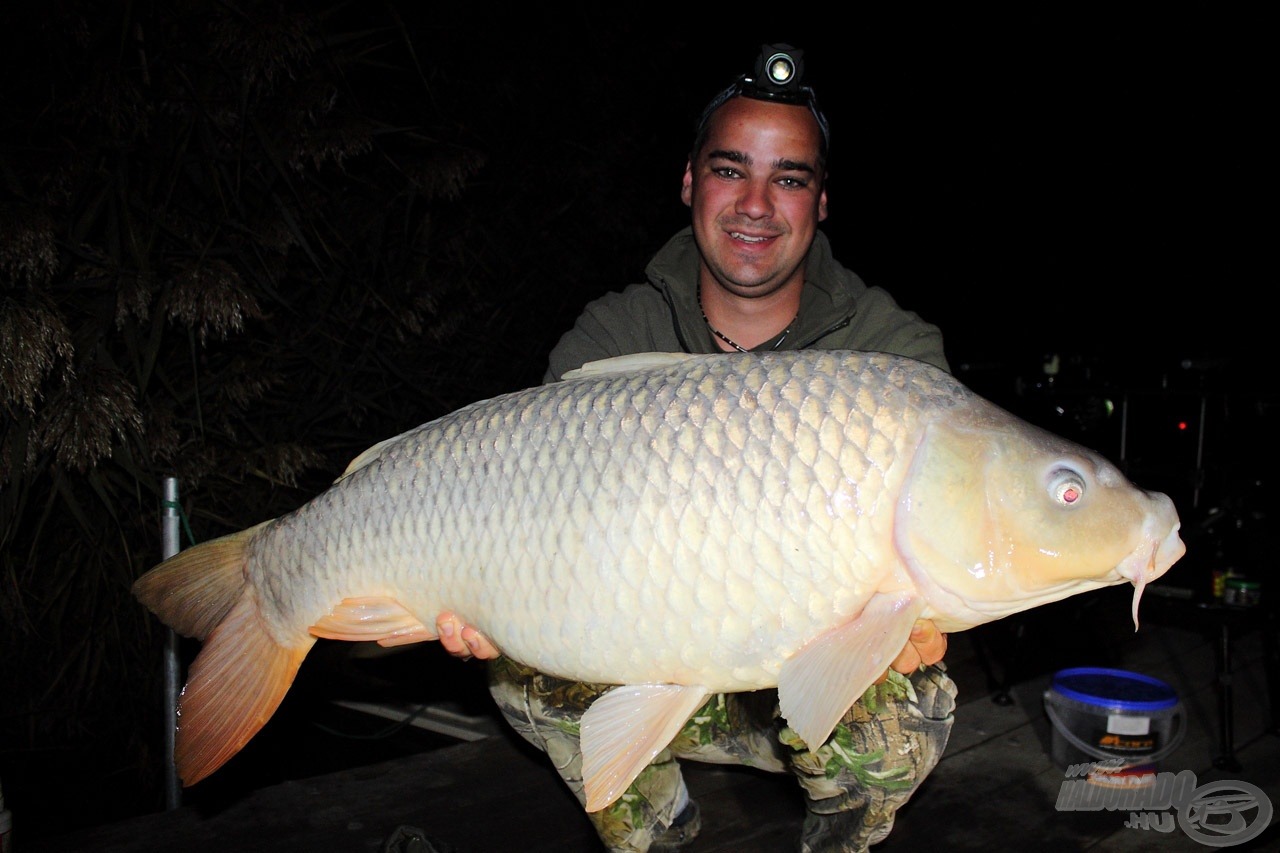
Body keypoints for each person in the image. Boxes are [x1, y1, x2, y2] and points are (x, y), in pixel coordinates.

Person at [433, 44, 957, 853]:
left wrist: (916, 622)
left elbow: (949, 555)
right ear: (689, 182)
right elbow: (535, 536)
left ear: (822, 202)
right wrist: (484, 594)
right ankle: (657, 837)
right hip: (643, 667)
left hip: (808, 695)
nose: (756, 203)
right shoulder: (612, 337)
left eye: (789, 177)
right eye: (730, 169)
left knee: (911, 704)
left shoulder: (890, 356)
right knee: (524, 673)